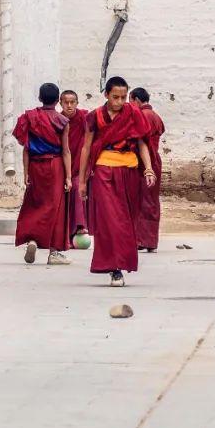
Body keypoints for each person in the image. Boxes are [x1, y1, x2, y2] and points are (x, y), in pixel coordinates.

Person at [77, 76, 156, 287]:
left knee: (127, 221)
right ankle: (115, 268)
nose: (120, 102)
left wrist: (148, 168)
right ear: (106, 95)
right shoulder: (95, 117)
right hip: (104, 171)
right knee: (111, 220)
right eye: (115, 97)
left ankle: (121, 264)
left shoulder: (133, 114)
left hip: (129, 172)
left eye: (123, 97)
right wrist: (83, 180)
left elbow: (142, 143)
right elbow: (86, 147)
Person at [12, 83, 72, 266]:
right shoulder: (62, 122)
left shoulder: (30, 118)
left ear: (40, 98)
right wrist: (68, 177)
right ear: (57, 100)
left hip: (36, 166)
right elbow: (66, 151)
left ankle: (32, 240)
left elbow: (26, 149)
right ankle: (54, 252)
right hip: (55, 165)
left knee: (34, 204)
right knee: (56, 207)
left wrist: (26, 173)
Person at [130, 87, 165, 253]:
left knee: (143, 201)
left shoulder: (142, 115)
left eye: (130, 100)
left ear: (136, 100)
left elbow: (140, 140)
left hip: (145, 162)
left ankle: (143, 240)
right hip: (154, 160)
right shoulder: (155, 116)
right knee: (151, 200)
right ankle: (149, 240)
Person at [60, 90, 90, 239]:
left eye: (73, 102)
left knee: (78, 189)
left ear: (77, 103)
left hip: (79, 165)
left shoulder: (85, 117)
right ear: (60, 103)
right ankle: (64, 231)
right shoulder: (57, 120)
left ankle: (80, 226)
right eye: (66, 102)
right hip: (62, 166)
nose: (69, 106)